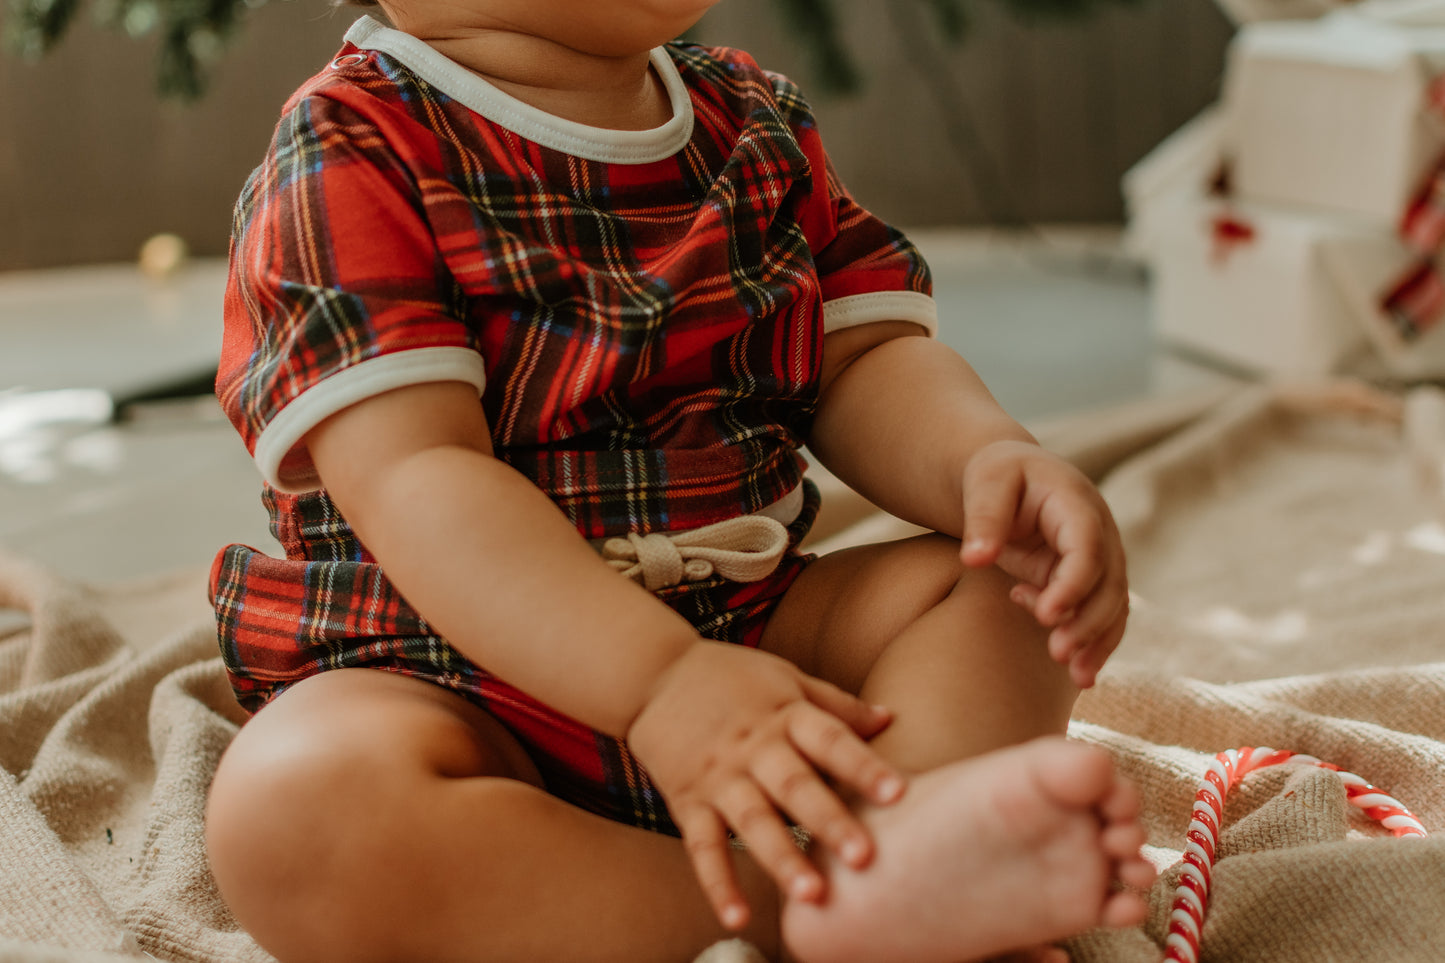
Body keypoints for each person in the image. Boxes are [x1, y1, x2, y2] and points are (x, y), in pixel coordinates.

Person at [203, 1, 1157, 961]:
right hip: (457, 666)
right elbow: (415, 474)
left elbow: (863, 360)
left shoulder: (749, 116)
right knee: (294, 806)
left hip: (748, 620)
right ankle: (813, 909)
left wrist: (985, 459)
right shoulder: (350, 148)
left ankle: (899, 837)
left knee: (1013, 580)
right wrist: (660, 684)